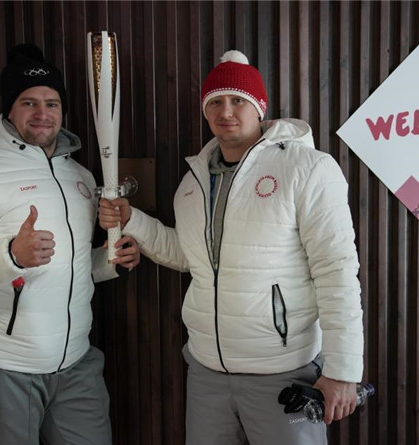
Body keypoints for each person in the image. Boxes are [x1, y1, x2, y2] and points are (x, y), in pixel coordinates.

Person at [99, 50, 364, 444]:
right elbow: (189, 257)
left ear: (260, 107)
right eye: (215, 102)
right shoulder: (192, 183)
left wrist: (342, 371)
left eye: (238, 100)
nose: (226, 111)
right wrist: (132, 219)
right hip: (207, 373)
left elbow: (336, 270)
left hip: (283, 372)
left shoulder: (308, 169)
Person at [0, 43, 139, 445]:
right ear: (9, 110)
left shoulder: (79, 176)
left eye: (52, 103)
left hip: (76, 362)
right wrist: (11, 255)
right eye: (29, 103)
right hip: (4, 365)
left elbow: (70, 267)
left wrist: (111, 261)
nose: (42, 113)